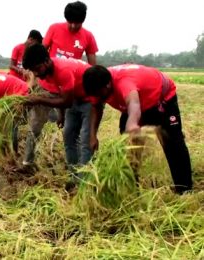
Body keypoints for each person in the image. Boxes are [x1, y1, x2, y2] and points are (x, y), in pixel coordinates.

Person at [82, 64, 193, 194]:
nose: (97, 97)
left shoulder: (124, 83)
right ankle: (132, 189)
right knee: (127, 148)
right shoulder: (96, 85)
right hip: (135, 104)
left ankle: (184, 189)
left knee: (173, 143)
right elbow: (96, 107)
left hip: (161, 99)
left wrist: (132, 123)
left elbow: (133, 103)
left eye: (99, 94)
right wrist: (92, 135)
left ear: (107, 85)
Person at [22, 43, 92, 188]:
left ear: (47, 61)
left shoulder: (63, 70)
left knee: (85, 139)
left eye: (37, 69)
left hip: (91, 99)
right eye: (32, 71)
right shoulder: (46, 74)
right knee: (68, 135)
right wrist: (61, 116)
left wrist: (39, 99)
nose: (35, 74)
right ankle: (74, 178)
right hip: (74, 98)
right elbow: (59, 95)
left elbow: (66, 101)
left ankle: (85, 182)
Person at [43, 1, 98, 65]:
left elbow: (92, 66)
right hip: (52, 72)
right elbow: (41, 52)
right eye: (70, 22)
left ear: (82, 21)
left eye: (77, 23)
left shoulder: (89, 36)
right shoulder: (54, 28)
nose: (73, 26)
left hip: (73, 74)